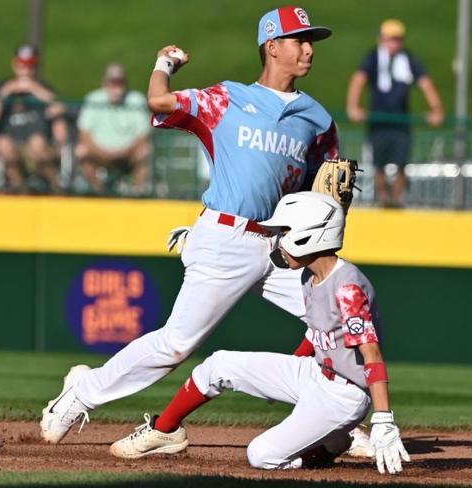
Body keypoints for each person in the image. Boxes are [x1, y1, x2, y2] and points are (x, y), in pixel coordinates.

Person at [40, 6, 341, 447]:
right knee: (176, 345)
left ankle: (339, 426)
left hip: (282, 245)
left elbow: (324, 183)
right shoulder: (228, 99)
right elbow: (160, 102)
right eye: (300, 40)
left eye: (311, 40)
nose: (309, 49)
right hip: (226, 238)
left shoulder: (317, 119)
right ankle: (79, 394)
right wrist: (164, 66)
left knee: (339, 317)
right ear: (272, 47)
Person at [108, 192, 409, 473]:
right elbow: (318, 333)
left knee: (262, 455)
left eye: (285, 232)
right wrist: (285, 374)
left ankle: (324, 447)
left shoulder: (347, 287)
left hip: (344, 396)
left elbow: (371, 352)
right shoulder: (308, 276)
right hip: (315, 374)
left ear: (310, 233)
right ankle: (165, 431)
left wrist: (383, 418)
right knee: (218, 364)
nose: (277, 240)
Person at [346, 19, 444, 208]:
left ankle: (397, 201)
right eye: (390, 39)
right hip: (378, 122)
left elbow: (426, 83)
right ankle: (384, 200)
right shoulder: (374, 57)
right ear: (382, 40)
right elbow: (359, 79)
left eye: (398, 40)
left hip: (401, 123)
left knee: (401, 164)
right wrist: (353, 106)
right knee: (379, 166)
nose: (394, 44)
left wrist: (436, 109)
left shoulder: (407, 59)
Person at [0, 44, 68, 194]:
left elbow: (59, 109)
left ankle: (58, 190)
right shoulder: (3, 87)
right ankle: (21, 192)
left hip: (40, 148)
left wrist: (34, 89)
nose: (25, 71)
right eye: (22, 66)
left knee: (37, 143)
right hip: (12, 147)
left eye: (30, 66)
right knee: (3, 143)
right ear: (14, 65)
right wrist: (4, 94)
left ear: (36, 67)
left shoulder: (43, 88)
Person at [76, 63, 152, 196]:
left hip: (128, 154)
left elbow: (143, 136)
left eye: (120, 82)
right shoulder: (93, 99)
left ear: (126, 83)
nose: (116, 86)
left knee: (144, 151)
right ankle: (98, 192)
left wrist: (124, 152)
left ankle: (137, 194)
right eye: (112, 82)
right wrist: (103, 153)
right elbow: (84, 135)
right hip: (99, 154)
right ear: (104, 83)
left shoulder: (136, 100)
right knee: (81, 151)